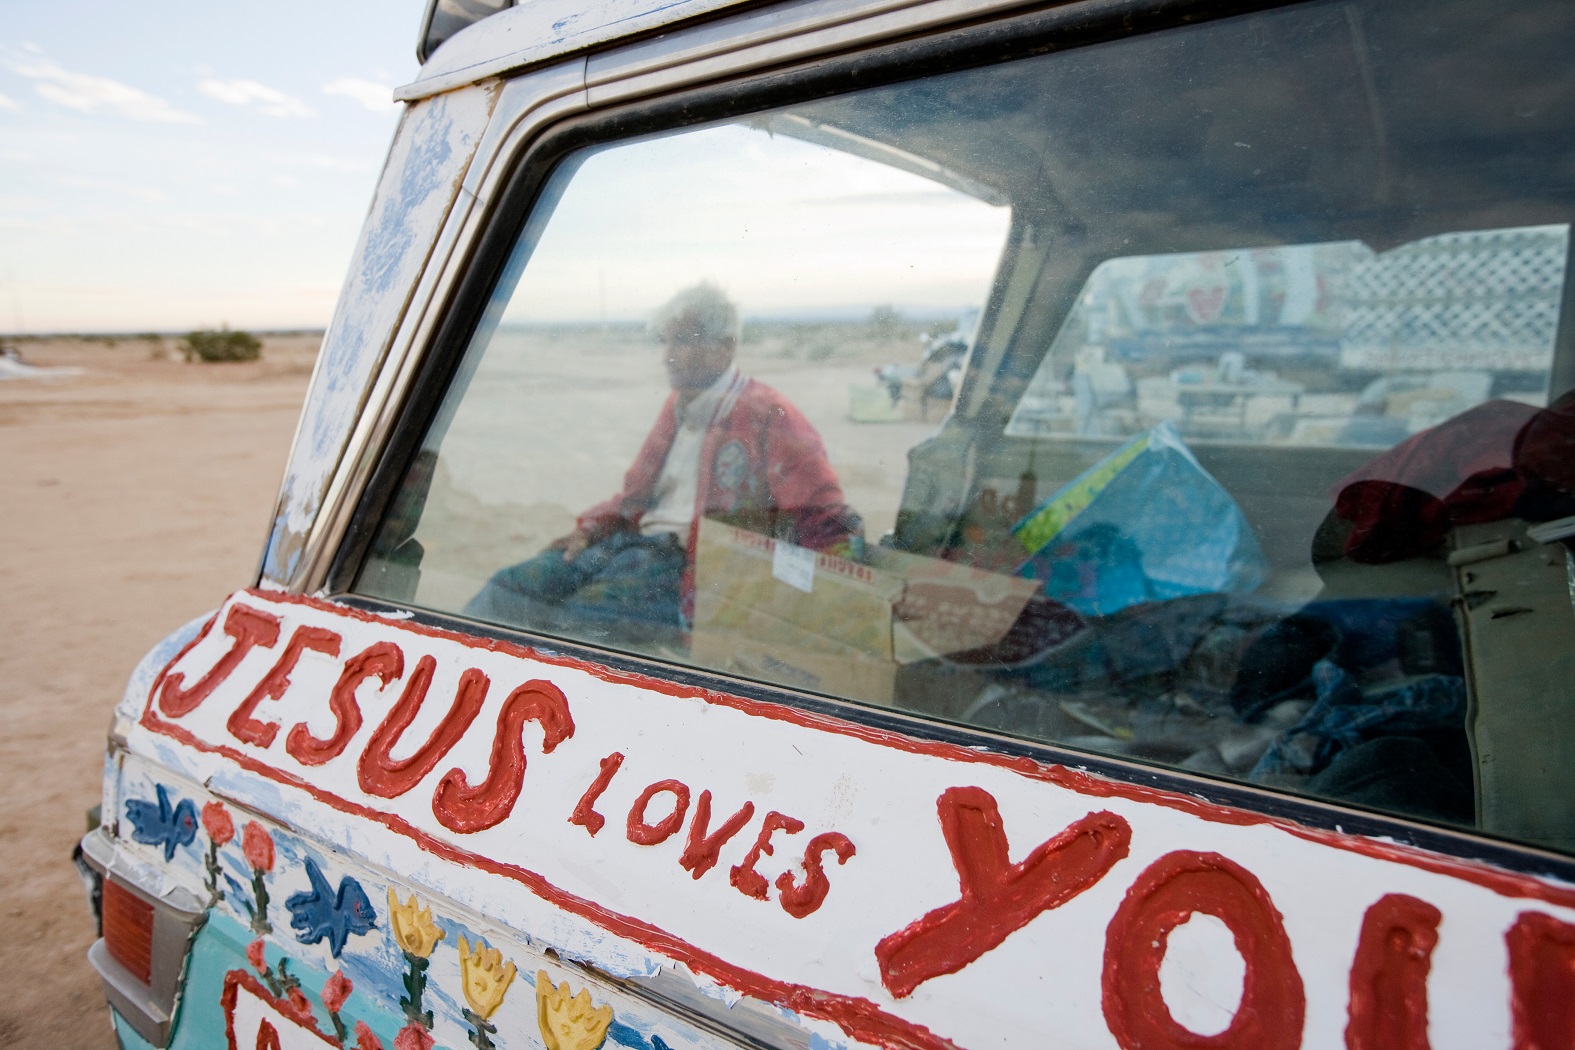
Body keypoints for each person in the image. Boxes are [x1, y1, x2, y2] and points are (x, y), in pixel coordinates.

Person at [465, 282, 861, 645]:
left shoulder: (766, 413)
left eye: (683, 341)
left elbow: (823, 515)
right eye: (666, 341)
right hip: (630, 544)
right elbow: (635, 496)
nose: (668, 357)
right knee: (507, 590)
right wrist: (592, 527)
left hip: (688, 568)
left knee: (574, 628)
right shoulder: (679, 404)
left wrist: (815, 597)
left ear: (726, 347)